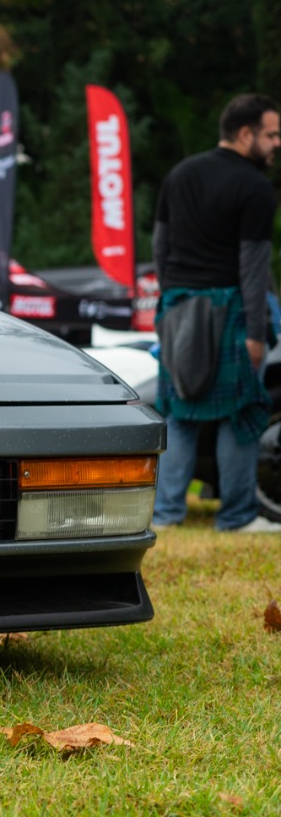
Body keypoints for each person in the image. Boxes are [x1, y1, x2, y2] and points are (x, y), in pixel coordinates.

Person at [151, 93, 281, 532]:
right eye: (271, 134)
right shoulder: (256, 188)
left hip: (179, 307)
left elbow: (160, 246)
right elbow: (254, 267)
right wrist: (257, 333)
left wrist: (171, 299)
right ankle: (238, 516)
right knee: (241, 414)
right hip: (231, 308)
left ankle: (167, 514)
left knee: (180, 411)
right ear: (246, 134)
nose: (277, 142)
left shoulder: (180, 173)